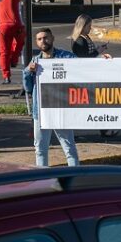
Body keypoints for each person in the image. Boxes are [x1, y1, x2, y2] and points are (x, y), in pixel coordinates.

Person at [23, 28, 79, 167]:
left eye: (46, 37)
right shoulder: (35, 61)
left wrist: (101, 61)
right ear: (37, 42)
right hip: (41, 112)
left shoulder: (66, 57)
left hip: (61, 109)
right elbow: (28, 88)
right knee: (40, 149)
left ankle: (76, 177)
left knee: (69, 148)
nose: (43, 41)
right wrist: (28, 72)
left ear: (53, 38)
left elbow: (83, 66)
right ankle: (42, 180)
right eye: (40, 39)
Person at [69, 14, 116, 138]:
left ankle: (103, 129)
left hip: (89, 75)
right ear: (83, 26)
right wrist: (99, 53)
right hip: (84, 76)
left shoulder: (85, 37)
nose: (90, 28)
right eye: (89, 26)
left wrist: (99, 52)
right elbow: (85, 58)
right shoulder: (79, 40)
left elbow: (90, 54)